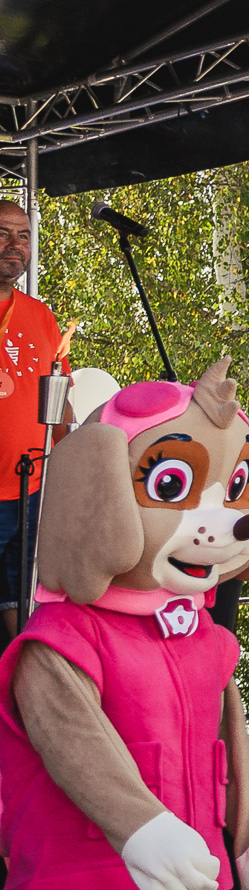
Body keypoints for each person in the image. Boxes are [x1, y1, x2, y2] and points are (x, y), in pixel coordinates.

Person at [0, 196, 67, 633]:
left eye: (24, 235)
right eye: (3, 232)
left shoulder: (41, 317)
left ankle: (17, 695)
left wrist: (74, 462)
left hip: (30, 489)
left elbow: (58, 402)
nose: (15, 244)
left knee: (18, 607)